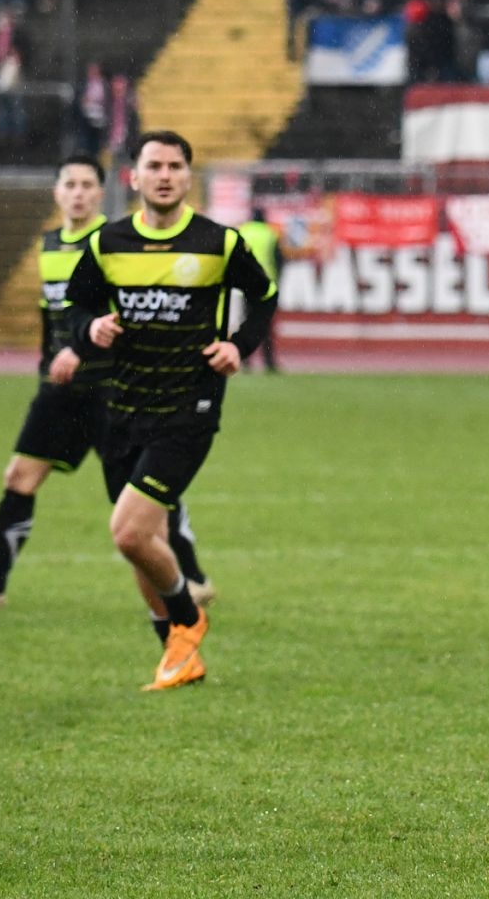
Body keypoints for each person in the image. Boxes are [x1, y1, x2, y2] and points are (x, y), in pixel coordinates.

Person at [0, 158, 212, 619]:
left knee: (141, 496)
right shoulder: (49, 246)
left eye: (88, 185)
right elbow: (56, 317)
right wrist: (51, 360)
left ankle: (194, 580)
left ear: (101, 193)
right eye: (71, 184)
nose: (79, 193)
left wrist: (82, 349)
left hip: (112, 388)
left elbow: (137, 313)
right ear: (57, 192)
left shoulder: (119, 244)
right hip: (62, 390)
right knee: (18, 479)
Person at [62, 132, 278, 691]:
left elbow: (265, 295)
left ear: (188, 177)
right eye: (153, 165)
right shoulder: (108, 244)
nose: (164, 175)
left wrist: (239, 345)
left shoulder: (218, 242)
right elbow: (76, 306)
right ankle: (178, 656)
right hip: (122, 404)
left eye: (175, 166)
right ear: (133, 177)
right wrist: (90, 328)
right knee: (145, 542)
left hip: (189, 405)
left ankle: (187, 618)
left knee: (129, 534)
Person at [236, 208, 282, 373]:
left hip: (247, 285)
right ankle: (269, 362)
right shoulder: (270, 233)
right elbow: (278, 259)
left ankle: (246, 360)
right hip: (266, 284)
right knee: (266, 324)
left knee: (247, 322)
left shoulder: (243, 231)